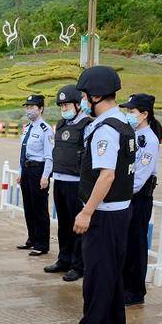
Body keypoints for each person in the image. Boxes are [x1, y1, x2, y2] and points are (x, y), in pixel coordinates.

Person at [60, 66, 136, 324]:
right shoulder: (123, 124)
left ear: (95, 95)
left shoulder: (105, 130)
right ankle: (115, 323)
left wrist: (86, 211)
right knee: (112, 270)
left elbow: (107, 175)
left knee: (96, 274)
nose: (81, 100)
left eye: (83, 95)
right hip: (121, 211)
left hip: (104, 214)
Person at [44, 85, 91, 282]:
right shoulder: (61, 124)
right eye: (61, 105)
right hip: (60, 180)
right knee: (63, 224)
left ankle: (78, 265)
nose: (64, 108)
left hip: (76, 183)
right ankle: (63, 259)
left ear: (78, 104)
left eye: (67, 104)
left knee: (76, 226)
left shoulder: (87, 125)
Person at [120, 93, 162, 306]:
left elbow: (139, 177)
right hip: (129, 197)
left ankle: (135, 291)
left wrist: (120, 193)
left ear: (144, 114)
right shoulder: (134, 135)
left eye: (132, 111)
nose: (128, 115)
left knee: (136, 245)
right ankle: (125, 285)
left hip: (138, 199)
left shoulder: (149, 140)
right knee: (126, 244)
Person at [16, 94, 54, 256]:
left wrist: (45, 176)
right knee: (29, 207)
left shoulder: (45, 129)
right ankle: (32, 238)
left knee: (39, 208)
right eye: (27, 107)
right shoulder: (27, 128)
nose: (29, 110)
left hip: (39, 171)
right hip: (27, 170)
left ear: (41, 109)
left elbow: (49, 156)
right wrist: (20, 172)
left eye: (32, 107)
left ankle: (42, 244)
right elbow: (23, 153)